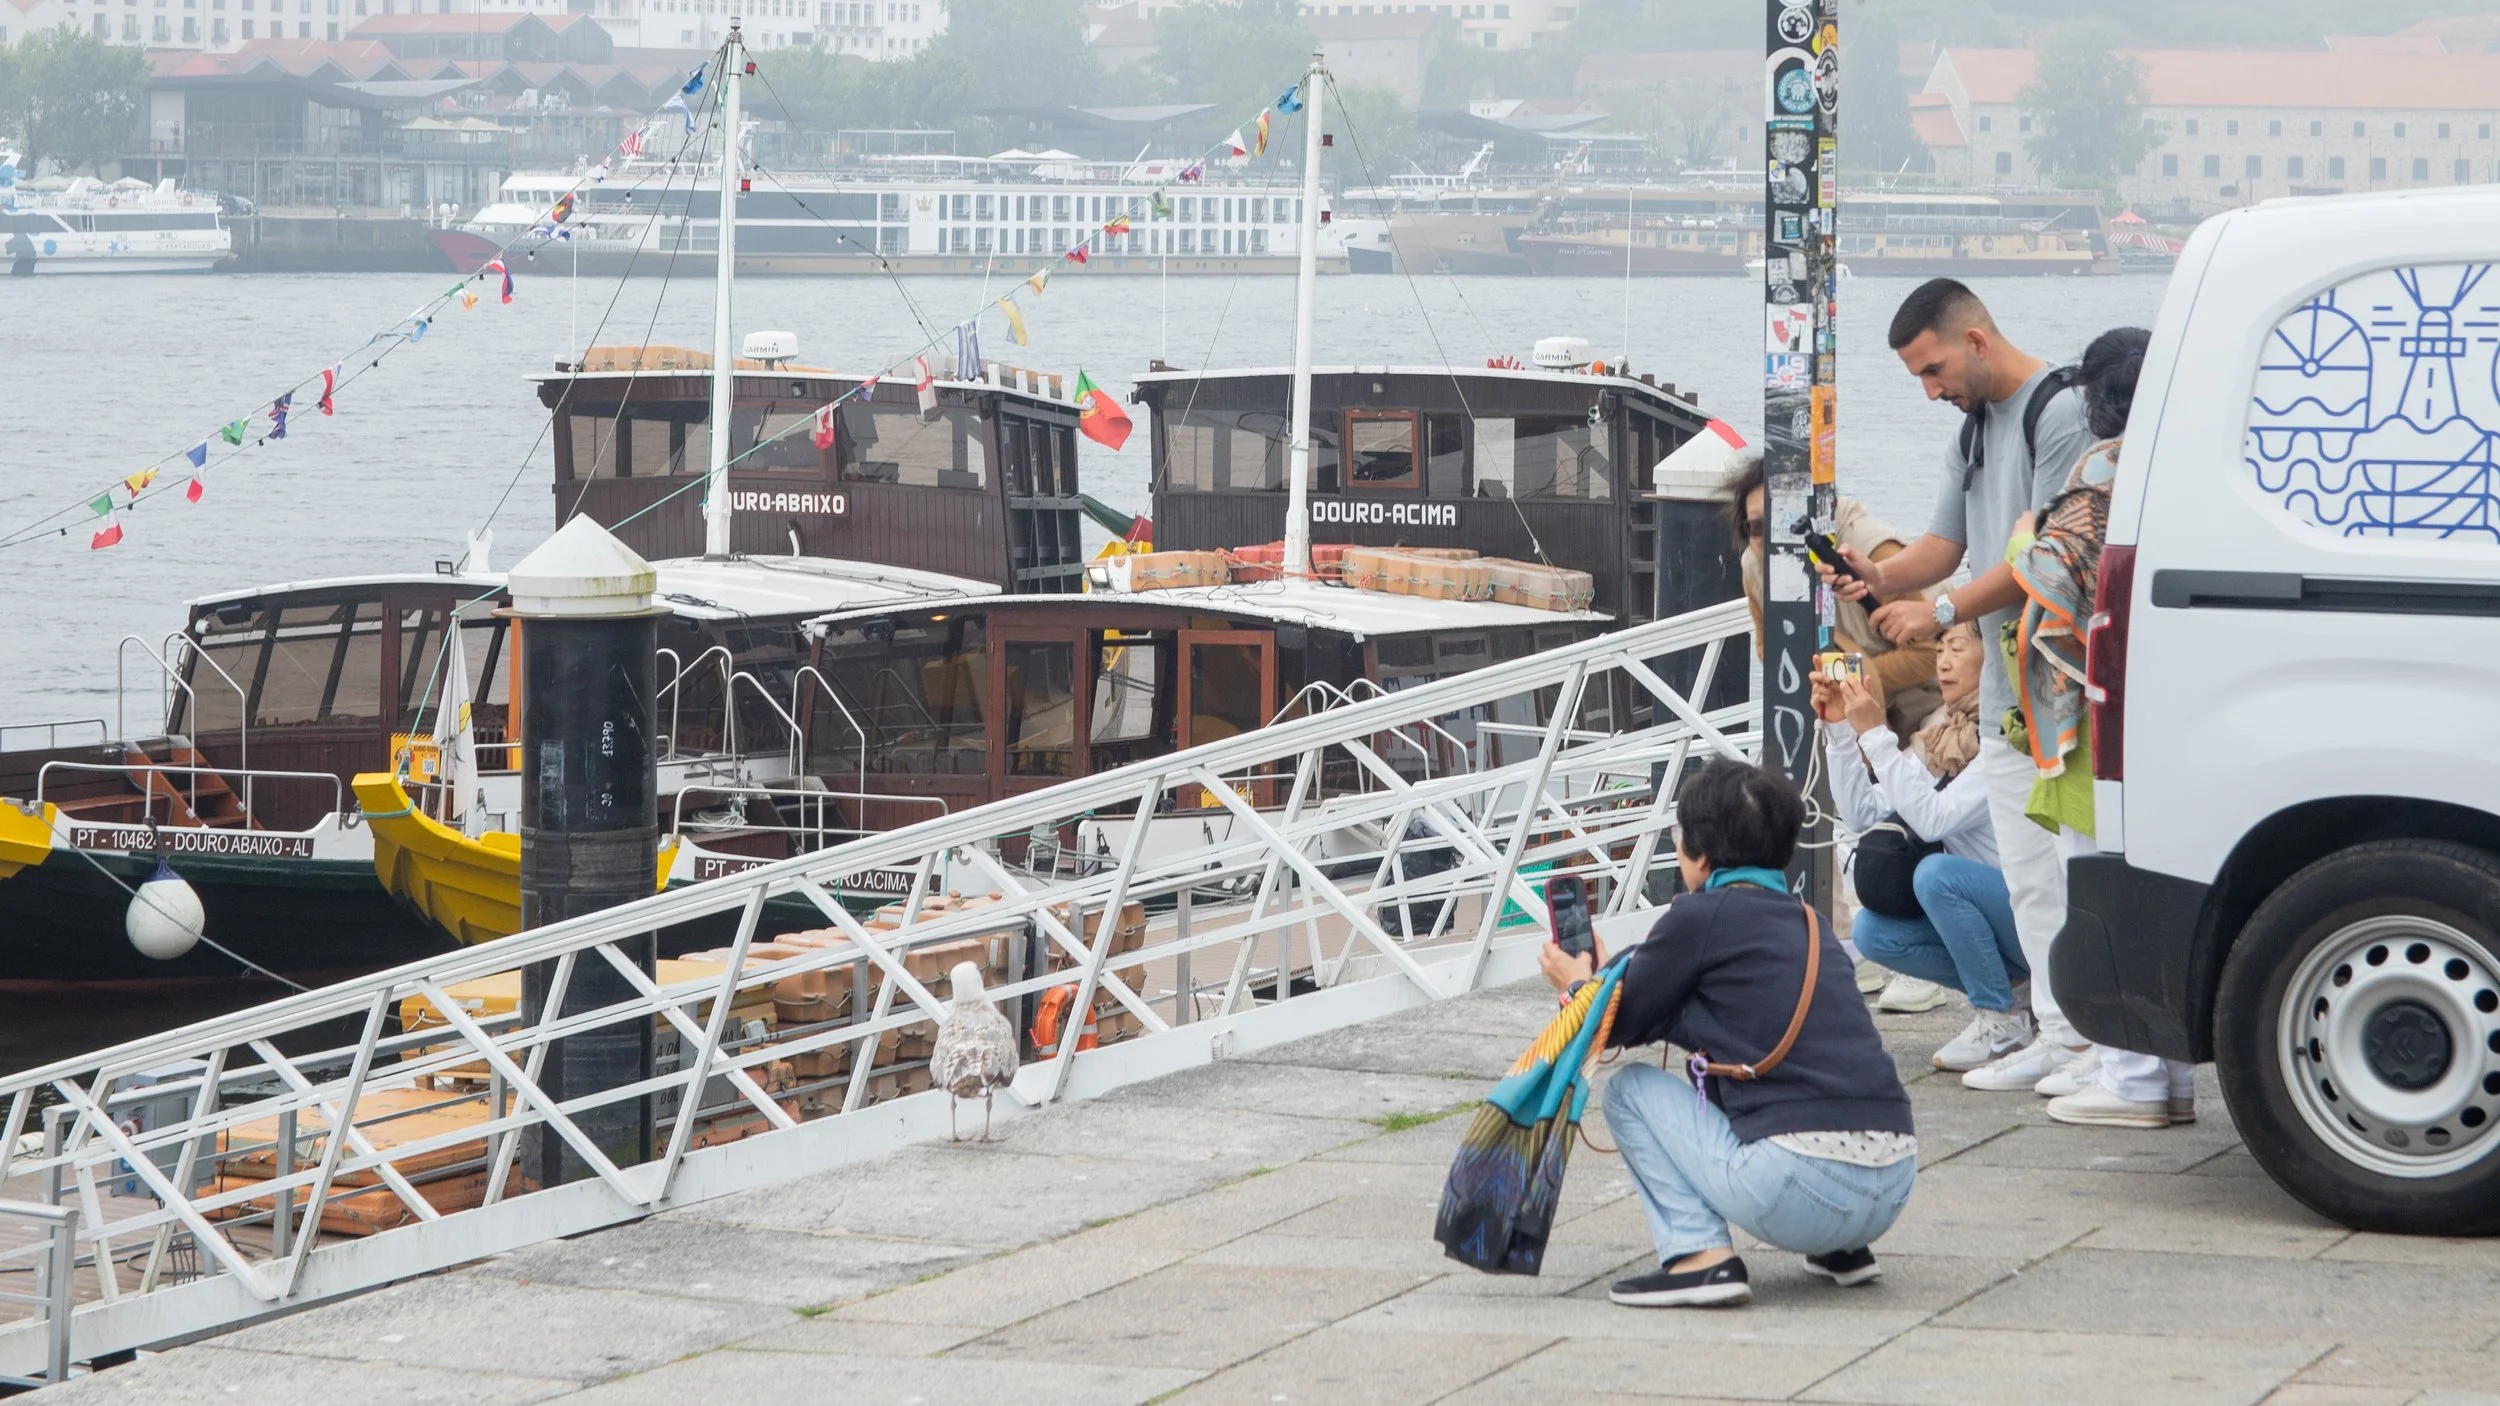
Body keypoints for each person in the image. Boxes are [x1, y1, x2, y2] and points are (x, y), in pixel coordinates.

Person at [1821, 279, 2098, 1095]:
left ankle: (2091, 1040)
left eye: (1934, 370)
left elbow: (2041, 562)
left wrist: (1936, 610)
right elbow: (1943, 546)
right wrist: (1878, 575)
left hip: (2060, 687)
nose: (1930, 391)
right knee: (2028, 878)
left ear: (1976, 339)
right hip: (2006, 699)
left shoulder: (2060, 413)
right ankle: (2054, 1032)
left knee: (2070, 870)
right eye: (1917, 378)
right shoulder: (1972, 431)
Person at [1540, 760, 1915, 1309]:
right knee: (1755, 1065)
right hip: (1892, 1184)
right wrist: (1608, 977)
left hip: (1800, 1188)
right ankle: (1843, 1250)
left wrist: (1579, 988)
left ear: (1701, 854)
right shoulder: (1811, 923)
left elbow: (1610, 1024)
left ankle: (1698, 1258)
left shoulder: (1699, 917)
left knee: (1630, 1092)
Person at [2000, 326, 2201, 1129]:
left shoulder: (2105, 470)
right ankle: (2173, 1075)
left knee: (2098, 893)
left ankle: (2128, 1076)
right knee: (2161, 896)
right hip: (2172, 703)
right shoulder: (2189, 462)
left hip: (2093, 709)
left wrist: (2021, 532)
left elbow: (2049, 573)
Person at [1815, 624, 2032, 1071]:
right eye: (1939, 650)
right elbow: (1862, 814)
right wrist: (1840, 731)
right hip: (1994, 916)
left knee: (1936, 877)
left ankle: (2000, 1018)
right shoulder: (1943, 736)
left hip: (2032, 917)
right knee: (1870, 932)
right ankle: (2016, 996)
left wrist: (1877, 732)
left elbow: (1935, 817)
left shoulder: (2004, 741)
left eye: (1957, 648)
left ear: (1992, 664)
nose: (1944, 662)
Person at [1729, 451, 1942, 745]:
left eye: (1785, 521)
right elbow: (1769, 647)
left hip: (1931, 700)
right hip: (1842, 708)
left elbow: (1929, 656)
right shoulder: (1755, 566)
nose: (1774, 537)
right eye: (1756, 527)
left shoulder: (1870, 550)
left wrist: (1845, 677)